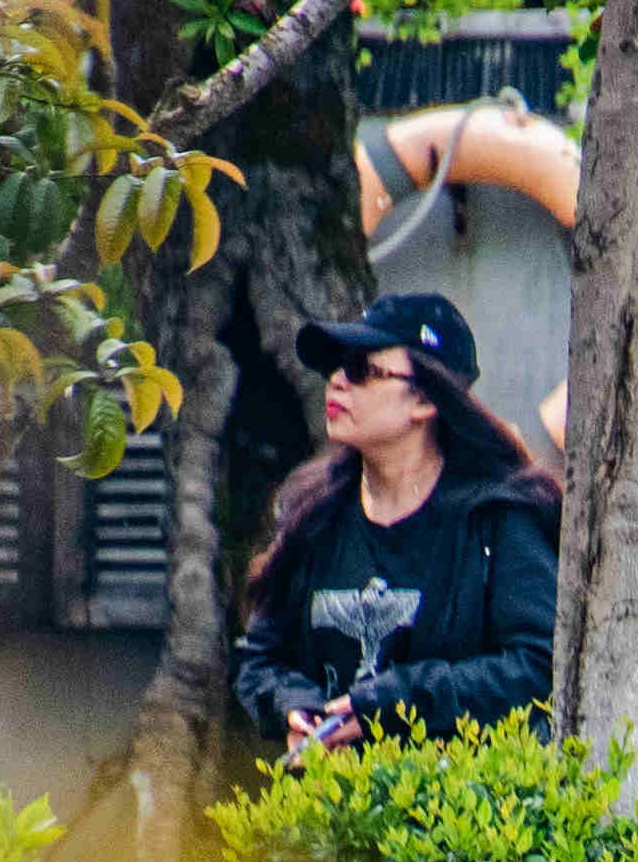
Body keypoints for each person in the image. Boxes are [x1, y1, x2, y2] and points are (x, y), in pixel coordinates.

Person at [231, 289, 560, 752]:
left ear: (425, 401)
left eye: (362, 370)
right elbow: (260, 659)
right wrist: (293, 706)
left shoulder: (500, 517)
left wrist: (394, 702)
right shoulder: (311, 511)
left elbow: (537, 668)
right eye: (335, 368)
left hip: (461, 813)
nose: (337, 383)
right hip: (334, 812)